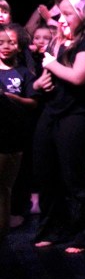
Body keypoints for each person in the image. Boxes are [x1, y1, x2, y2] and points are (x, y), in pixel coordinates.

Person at [31, 0, 85, 253]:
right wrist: (39, 83)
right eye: (60, 14)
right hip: (52, 111)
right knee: (46, 172)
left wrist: (52, 65)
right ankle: (54, 229)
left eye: (67, 14)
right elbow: (45, 78)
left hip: (76, 115)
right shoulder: (58, 42)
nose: (61, 19)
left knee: (74, 175)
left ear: (83, 15)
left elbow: (78, 76)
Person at [0, 23, 36, 242]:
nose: (5, 47)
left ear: (19, 47)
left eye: (11, 43)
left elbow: (33, 102)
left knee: (3, 186)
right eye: (1, 43)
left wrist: (11, 98)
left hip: (11, 137)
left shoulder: (23, 73)